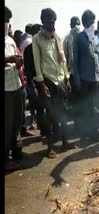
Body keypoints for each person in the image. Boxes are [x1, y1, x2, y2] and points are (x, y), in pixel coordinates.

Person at [33, 8, 72, 158]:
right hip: (48, 82)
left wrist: (67, 79)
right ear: (43, 21)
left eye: (54, 21)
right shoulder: (37, 39)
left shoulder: (57, 38)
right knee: (49, 116)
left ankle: (64, 141)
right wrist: (41, 85)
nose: (52, 25)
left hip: (60, 80)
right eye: (49, 22)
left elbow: (63, 61)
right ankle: (50, 147)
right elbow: (37, 64)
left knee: (62, 114)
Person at [73, 10, 99, 141]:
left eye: (94, 21)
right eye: (91, 21)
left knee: (95, 106)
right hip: (84, 80)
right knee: (86, 108)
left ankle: (94, 131)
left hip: (96, 79)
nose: (93, 24)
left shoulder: (95, 38)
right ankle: (86, 133)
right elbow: (75, 61)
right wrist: (77, 80)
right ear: (84, 22)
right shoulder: (79, 38)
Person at [5, 6, 24, 170]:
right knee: (7, 123)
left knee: (18, 120)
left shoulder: (10, 40)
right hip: (5, 89)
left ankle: (16, 150)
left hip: (16, 85)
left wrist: (18, 62)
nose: (6, 24)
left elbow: (15, 60)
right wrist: (8, 59)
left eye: (7, 21)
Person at [23, 24, 45, 133]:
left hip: (45, 82)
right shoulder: (28, 50)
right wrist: (32, 87)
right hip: (36, 84)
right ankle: (43, 130)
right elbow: (28, 70)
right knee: (39, 108)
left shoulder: (44, 46)